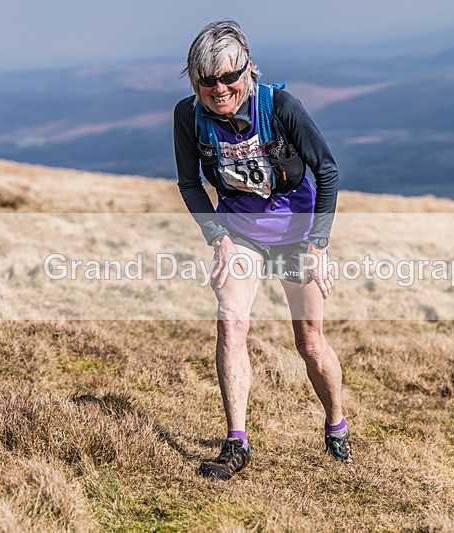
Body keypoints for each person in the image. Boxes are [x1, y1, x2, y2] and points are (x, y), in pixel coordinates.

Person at [173, 20, 352, 480]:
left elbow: (327, 170)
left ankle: (335, 424)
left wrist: (318, 245)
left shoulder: (280, 106)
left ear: (248, 70)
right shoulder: (188, 117)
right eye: (207, 80)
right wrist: (220, 238)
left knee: (309, 344)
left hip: (297, 233)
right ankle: (237, 443)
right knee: (231, 323)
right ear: (195, 81)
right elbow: (191, 184)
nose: (219, 88)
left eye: (229, 77)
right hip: (242, 233)